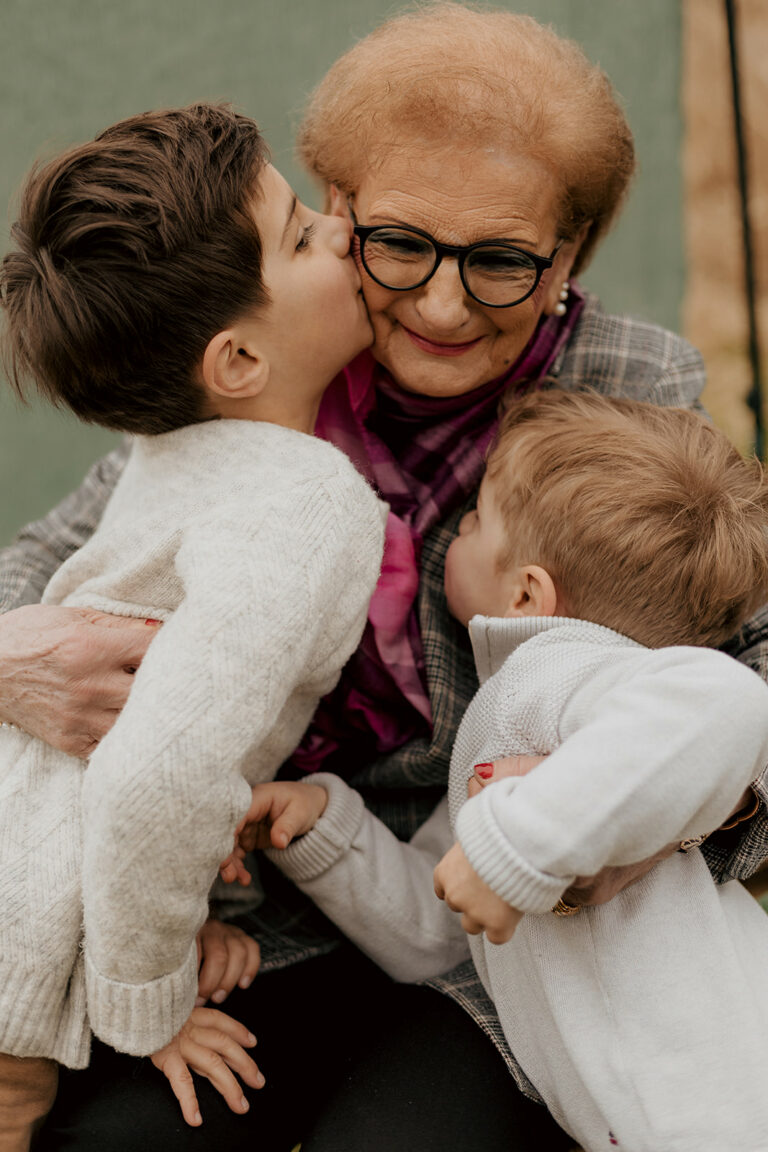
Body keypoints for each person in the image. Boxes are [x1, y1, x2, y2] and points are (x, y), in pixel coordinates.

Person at [3, 5, 768, 1149]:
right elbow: (45, 563)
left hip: (488, 937)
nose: (443, 304)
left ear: (571, 256)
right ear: (339, 212)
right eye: (399, 242)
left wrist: (655, 816)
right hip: (248, 920)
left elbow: (747, 660)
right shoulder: (257, 367)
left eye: (504, 261)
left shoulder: (626, 388)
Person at [235, 390, 768, 1151]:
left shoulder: (558, 673)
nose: (455, 532)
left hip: (713, 1102)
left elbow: (729, 699)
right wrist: (328, 831)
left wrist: (515, 848)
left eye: (477, 520)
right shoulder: (525, 718)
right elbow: (441, 928)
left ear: (526, 592)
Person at [0, 103, 384, 1150]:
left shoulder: (166, 459)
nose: (343, 232)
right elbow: (151, 778)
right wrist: (152, 1002)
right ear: (238, 364)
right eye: (303, 234)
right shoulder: (305, 501)